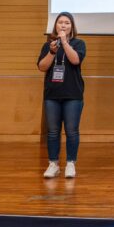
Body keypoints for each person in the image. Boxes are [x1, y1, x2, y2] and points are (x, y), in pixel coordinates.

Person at [36, 12, 86, 179]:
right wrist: (51, 52)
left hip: (73, 94)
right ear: (55, 26)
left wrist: (64, 42)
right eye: (60, 23)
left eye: (67, 23)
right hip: (52, 94)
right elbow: (42, 67)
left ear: (72, 27)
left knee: (71, 131)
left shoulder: (79, 43)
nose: (63, 25)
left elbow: (75, 60)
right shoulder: (48, 45)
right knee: (53, 131)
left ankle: (70, 163)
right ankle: (53, 164)